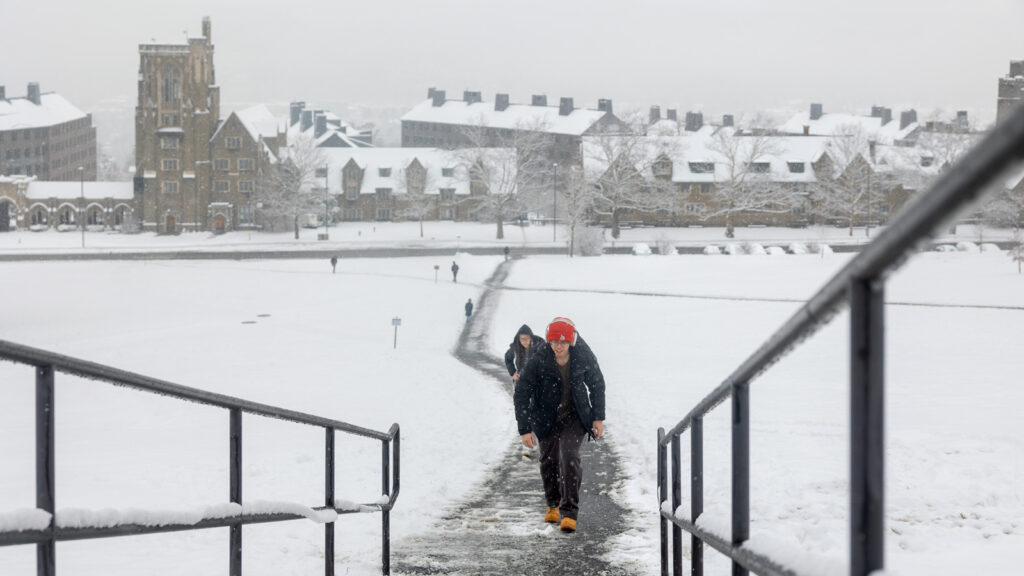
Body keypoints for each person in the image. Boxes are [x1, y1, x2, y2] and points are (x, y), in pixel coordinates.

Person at [513, 317, 605, 533]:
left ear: (571, 341)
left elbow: (597, 384)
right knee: (548, 460)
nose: (558, 346)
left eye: (563, 342)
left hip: (574, 415)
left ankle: (570, 512)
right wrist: (525, 429)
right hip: (545, 416)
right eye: (554, 342)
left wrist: (597, 417)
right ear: (548, 340)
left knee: (570, 457)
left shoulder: (582, 355)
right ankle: (552, 504)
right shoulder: (540, 358)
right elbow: (522, 392)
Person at [505, 325, 545, 457]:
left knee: (535, 411)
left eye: (527, 339)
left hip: (537, 383)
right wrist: (513, 373)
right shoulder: (515, 348)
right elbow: (508, 359)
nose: (525, 342)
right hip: (522, 383)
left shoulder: (540, 346)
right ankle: (527, 444)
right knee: (523, 410)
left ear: (531, 337)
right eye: (522, 339)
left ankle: (532, 441)